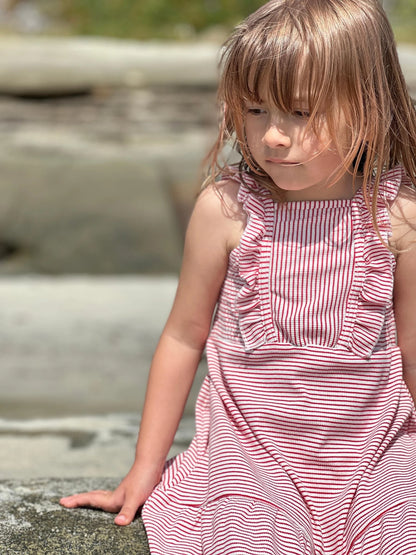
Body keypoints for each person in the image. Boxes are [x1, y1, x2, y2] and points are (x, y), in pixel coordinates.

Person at [60, 0, 416, 552]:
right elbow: (183, 337)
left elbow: (413, 351)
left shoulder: (397, 218)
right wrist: (145, 467)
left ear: (371, 105)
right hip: (251, 458)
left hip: (374, 454)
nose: (273, 135)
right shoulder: (226, 210)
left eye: (300, 112)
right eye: (255, 111)